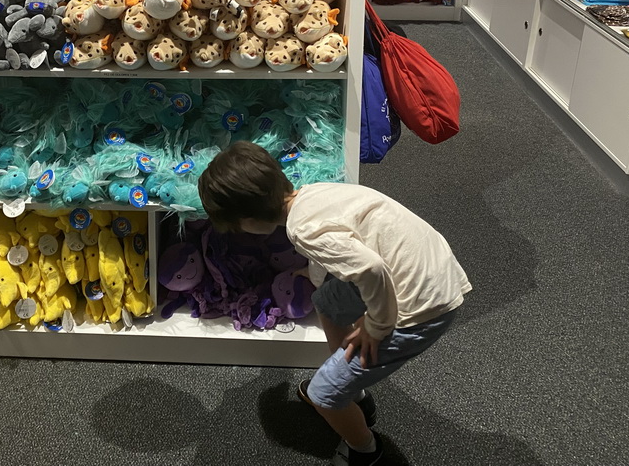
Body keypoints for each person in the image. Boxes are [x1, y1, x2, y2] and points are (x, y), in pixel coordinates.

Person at [198, 141, 471, 466]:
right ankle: (352, 391)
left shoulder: (302, 230)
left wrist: (376, 325)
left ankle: (364, 450)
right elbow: (341, 242)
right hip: (431, 266)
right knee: (327, 298)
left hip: (423, 307)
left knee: (321, 395)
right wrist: (313, 273)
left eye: (237, 226)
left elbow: (370, 268)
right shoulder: (313, 193)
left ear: (249, 218)